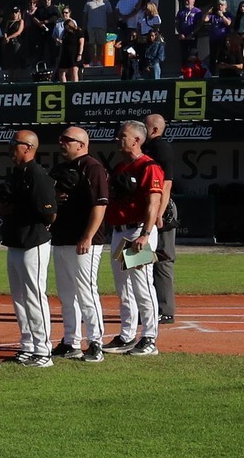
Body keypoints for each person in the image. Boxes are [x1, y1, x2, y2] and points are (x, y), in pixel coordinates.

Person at [49, 126, 109, 363]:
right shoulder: (61, 169)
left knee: (86, 291)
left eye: (67, 140)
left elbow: (100, 205)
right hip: (62, 236)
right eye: (61, 139)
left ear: (81, 144)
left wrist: (88, 236)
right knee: (66, 294)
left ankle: (96, 342)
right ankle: (70, 341)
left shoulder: (92, 167)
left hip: (85, 240)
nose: (62, 143)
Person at [106, 120, 166, 356]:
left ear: (137, 140)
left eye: (123, 135)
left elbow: (154, 202)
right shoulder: (121, 168)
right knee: (123, 288)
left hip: (138, 231)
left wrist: (145, 234)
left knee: (142, 286)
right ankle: (127, 335)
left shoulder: (149, 166)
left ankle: (149, 337)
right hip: (120, 231)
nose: (119, 138)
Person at [0, 129, 58, 367]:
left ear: (28, 147)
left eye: (15, 144)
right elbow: (4, 206)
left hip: (34, 240)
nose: (11, 148)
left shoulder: (37, 175)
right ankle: (28, 344)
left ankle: (44, 350)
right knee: (19, 297)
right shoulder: (18, 174)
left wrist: (18, 208)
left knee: (34, 295)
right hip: (15, 239)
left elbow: (50, 213)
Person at [142, 113, 178, 323]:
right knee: (142, 260)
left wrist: (159, 213)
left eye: (145, 126)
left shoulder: (160, 147)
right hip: (148, 208)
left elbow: (167, 183)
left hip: (161, 209)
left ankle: (165, 309)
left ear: (154, 130)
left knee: (162, 259)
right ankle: (147, 308)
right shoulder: (147, 149)